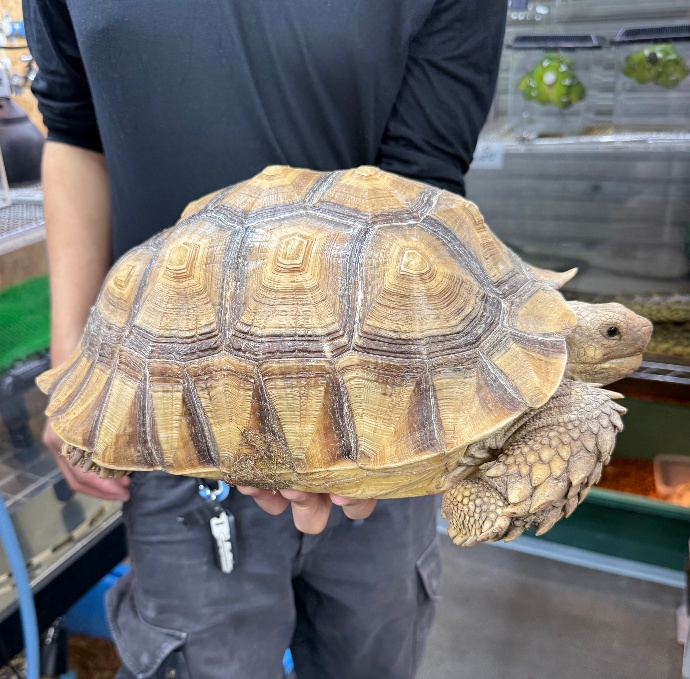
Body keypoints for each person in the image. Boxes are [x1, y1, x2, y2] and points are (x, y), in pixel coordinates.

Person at [24, 1, 506, 677]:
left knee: (371, 652)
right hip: (171, 411)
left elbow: (421, 184)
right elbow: (75, 128)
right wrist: (75, 361)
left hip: (388, 414)